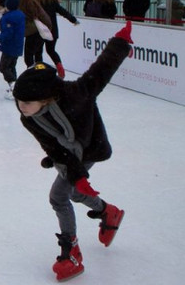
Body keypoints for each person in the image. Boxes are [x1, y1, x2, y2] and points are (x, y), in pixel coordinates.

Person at [12, 21, 132, 281]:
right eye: (18, 101)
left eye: (26, 102)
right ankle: (107, 212)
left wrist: (121, 43)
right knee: (75, 193)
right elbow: (53, 146)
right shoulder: (29, 117)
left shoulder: (76, 94)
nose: (21, 106)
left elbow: (101, 70)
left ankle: (72, 252)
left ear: (45, 99)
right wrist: (76, 175)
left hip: (90, 148)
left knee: (58, 197)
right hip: (68, 156)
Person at [33, 0, 80, 79]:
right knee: (51, 50)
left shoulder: (34, 2)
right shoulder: (52, 1)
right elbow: (63, 12)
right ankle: (59, 66)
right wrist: (73, 20)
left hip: (39, 31)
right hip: (52, 30)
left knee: (38, 52)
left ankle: (40, 71)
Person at [13, 0, 52, 68]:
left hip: (31, 33)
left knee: (29, 57)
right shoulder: (33, 2)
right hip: (39, 32)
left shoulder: (16, 4)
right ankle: (40, 73)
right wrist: (48, 28)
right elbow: (44, 17)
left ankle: (33, 74)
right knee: (38, 55)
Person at [0, 0, 24, 100]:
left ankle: (14, 86)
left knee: (3, 67)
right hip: (18, 45)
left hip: (9, 46)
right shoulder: (20, 15)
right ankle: (14, 87)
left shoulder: (8, 17)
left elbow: (8, 32)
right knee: (12, 66)